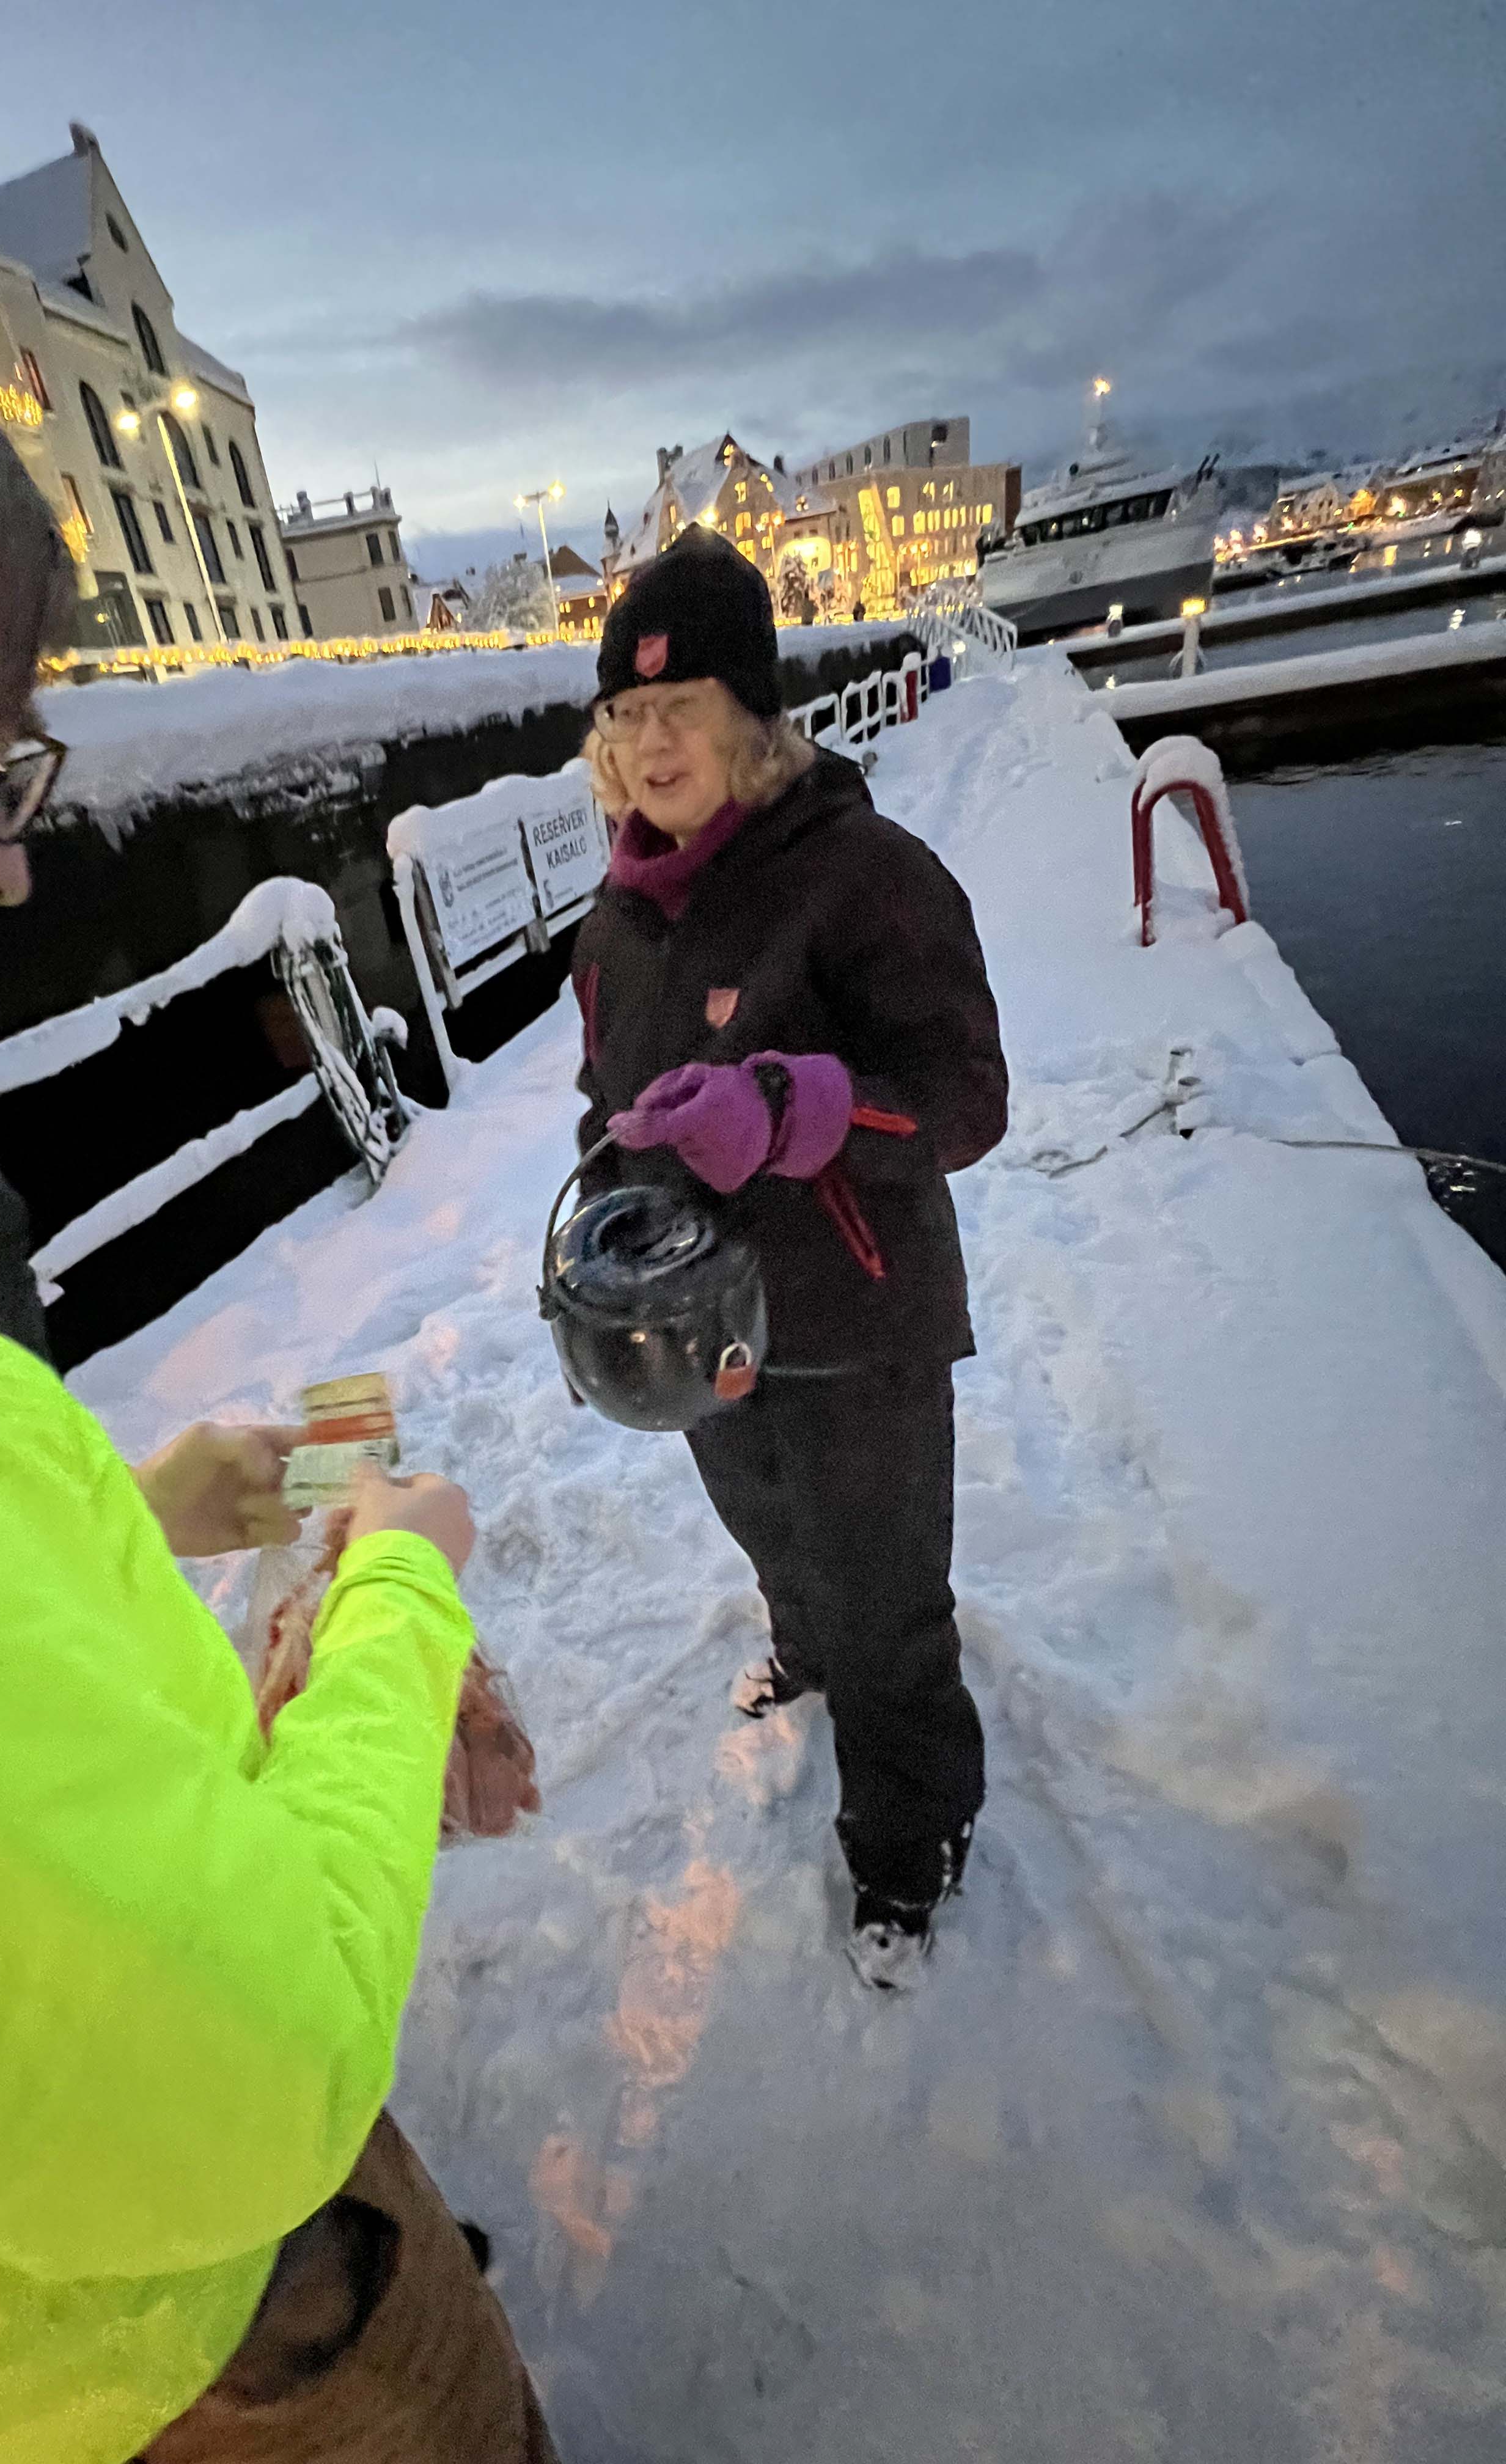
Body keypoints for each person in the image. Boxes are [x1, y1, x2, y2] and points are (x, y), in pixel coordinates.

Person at [0, 95, 553, 2464]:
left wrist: (120, 1506)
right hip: (199, 2354)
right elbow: (260, 2061)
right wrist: (401, 1605)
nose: (20, 858)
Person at [571, 530, 1008, 1988]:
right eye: (624, 718)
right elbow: (605, 1100)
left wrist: (793, 1104)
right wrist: (592, 1210)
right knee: (774, 1537)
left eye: (678, 709)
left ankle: (911, 1831)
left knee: (890, 1602)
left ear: (753, 722)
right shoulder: (616, 925)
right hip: (705, 1332)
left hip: (858, 1321)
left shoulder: (866, 875)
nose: (647, 744)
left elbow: (964, 1096)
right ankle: (801, 1646)